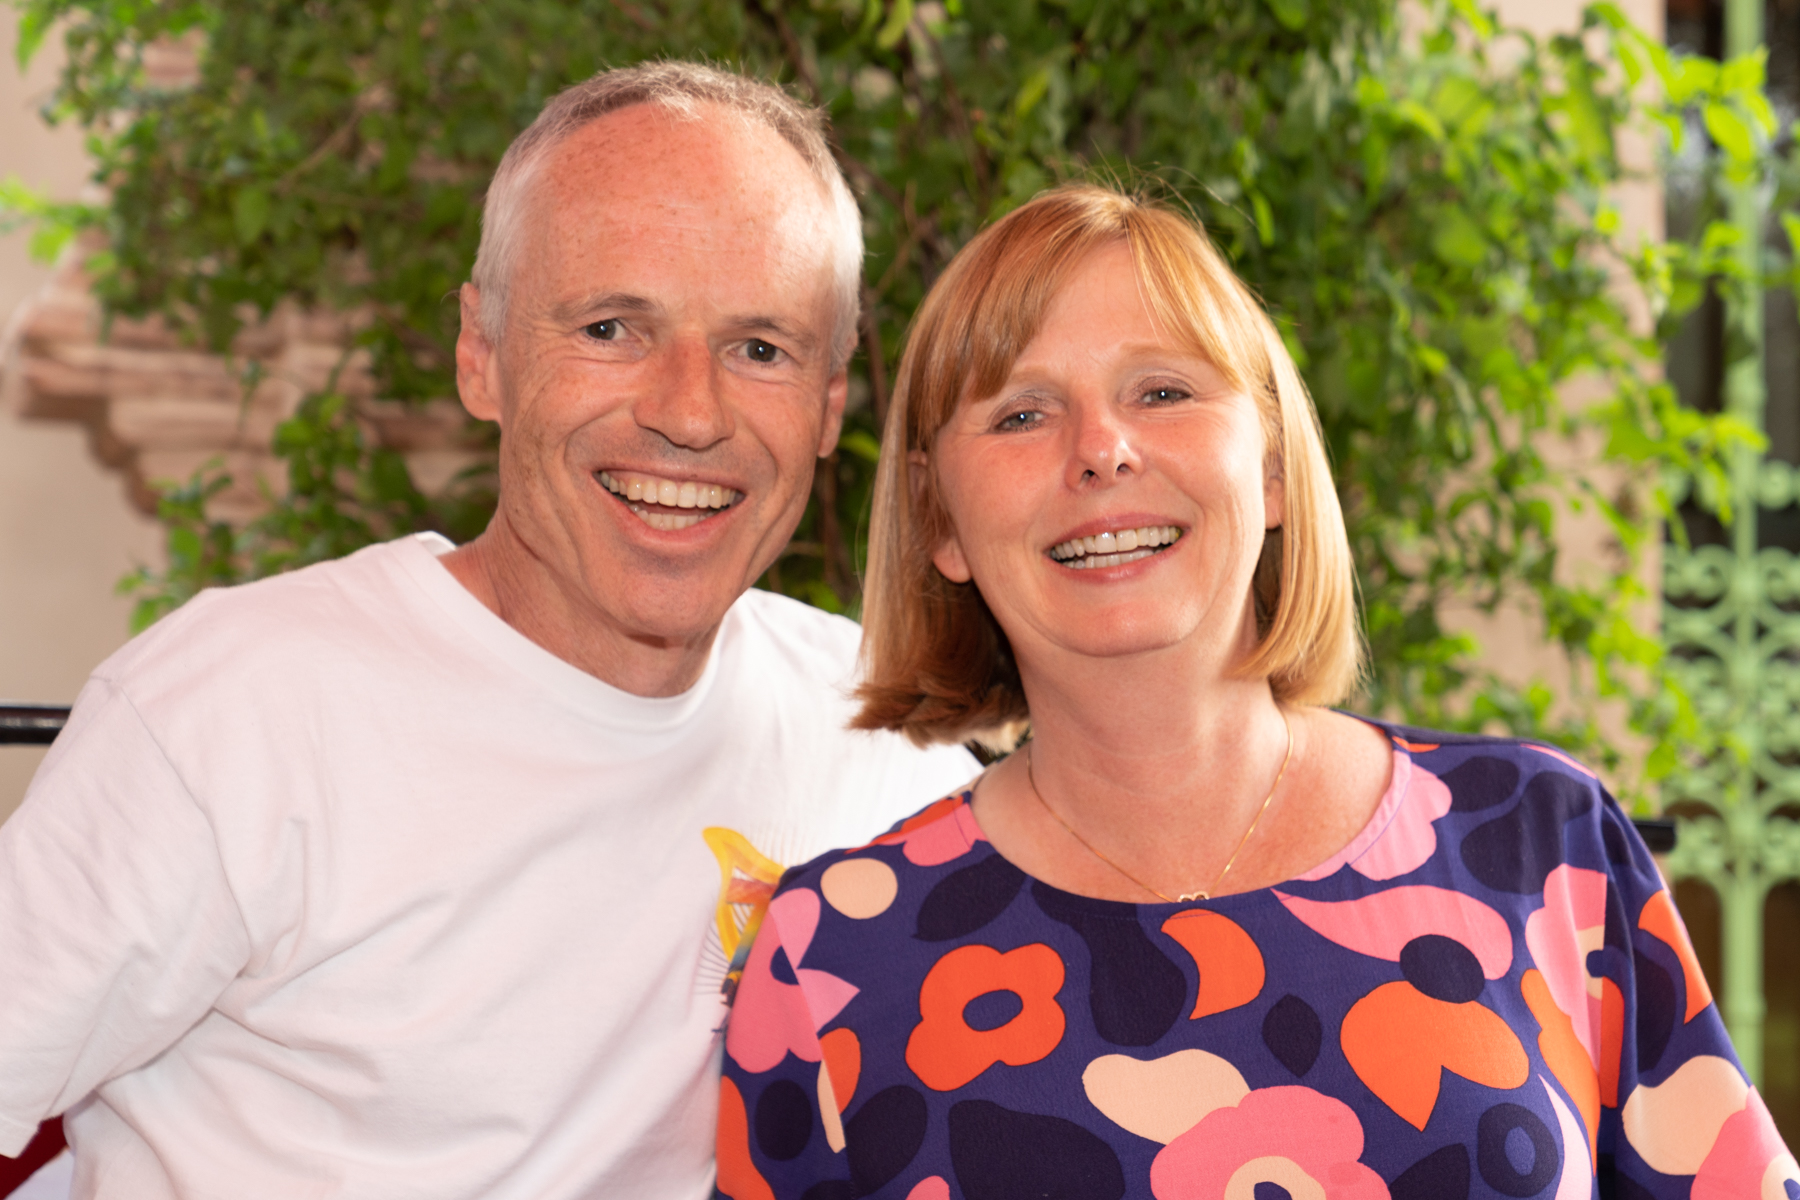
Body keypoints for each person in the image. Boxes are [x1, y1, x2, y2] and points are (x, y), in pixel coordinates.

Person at [0, 63, 976, 1199]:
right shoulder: (237, 714)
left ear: (829, 404)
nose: (689, 412)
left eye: (760, 348)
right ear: (482, 353)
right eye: (613, 327)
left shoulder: (874, 739)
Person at [716, 185, 1798, 1198]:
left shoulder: (1542, 846)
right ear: (940, 519)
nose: (1102, 450)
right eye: (1020, 414)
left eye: (1163, 391)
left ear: (1272, 467)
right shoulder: (833, 960)